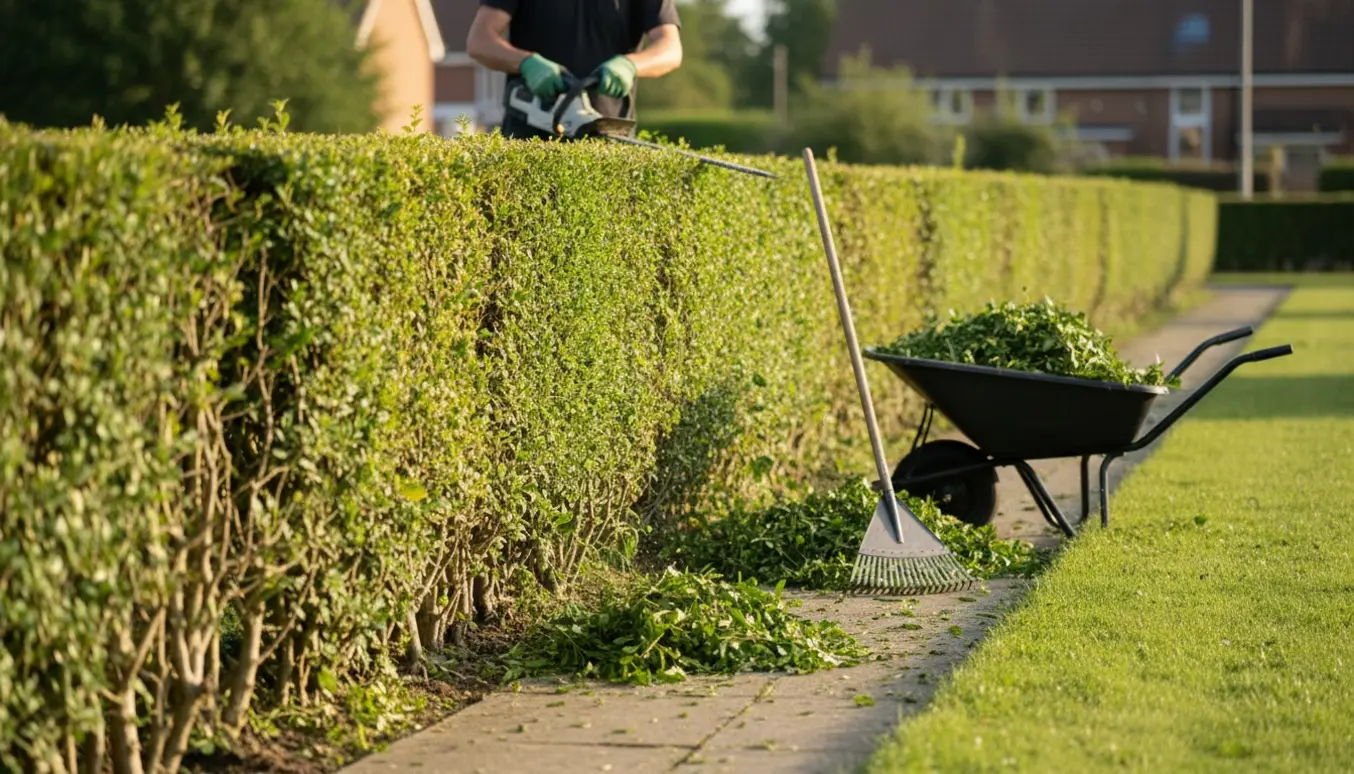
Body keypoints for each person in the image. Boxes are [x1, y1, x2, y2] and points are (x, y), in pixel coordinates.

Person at [466, 0, 683, 140]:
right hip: (529, 138)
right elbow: (479, 40)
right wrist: (526, 63)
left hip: (609, 136)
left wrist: (631, 65)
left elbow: (670, 49)